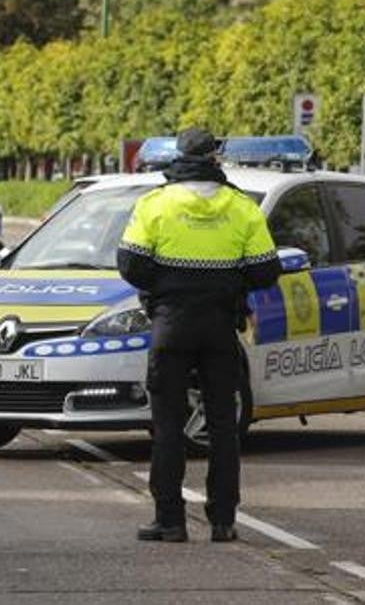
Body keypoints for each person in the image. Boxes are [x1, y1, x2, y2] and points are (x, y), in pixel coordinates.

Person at [116, 128, 281, 543]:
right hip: (221, 328)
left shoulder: (155, 204)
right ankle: (223, 521)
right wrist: (229, 284)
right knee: (223, 424)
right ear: (216, 158)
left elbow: (130, 265)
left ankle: (169, 520)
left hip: (170, 325)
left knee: (168, 424)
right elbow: (266, 271)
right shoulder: (241, 207)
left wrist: (168, 285)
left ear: (179, 157)